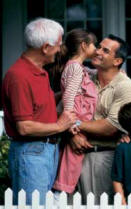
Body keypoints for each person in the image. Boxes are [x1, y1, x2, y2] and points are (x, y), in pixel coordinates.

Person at [1, 18, 76, 204]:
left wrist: (71, 91)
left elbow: (42, 105)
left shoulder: (39, 71)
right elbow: (24, 127)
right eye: (58, 45)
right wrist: (60, 125)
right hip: (31, 151)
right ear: (45, 47)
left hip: (44, 150)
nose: (60, 50)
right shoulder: (19, 76)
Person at [70, 34, 131, 204]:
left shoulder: (125, 86)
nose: (98, 51)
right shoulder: (85, 78)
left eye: (105, 50)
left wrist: (74, 124)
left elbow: (111, 127)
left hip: (104, 157)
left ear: (117, 61)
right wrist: (72, 135)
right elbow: (65, 108)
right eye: (99, 47)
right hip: (74, 154)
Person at [52, 29, 98, 194]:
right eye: (94, 45)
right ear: (84, 46)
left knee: (71, 157)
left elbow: (90, 73)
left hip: (78, 118)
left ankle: (63, 190)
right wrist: (71, 124)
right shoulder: (75, 69)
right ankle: (61, 191)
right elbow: (69, 97)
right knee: (73, 157)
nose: (97, 49)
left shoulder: (76, 67)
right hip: (77, 119)